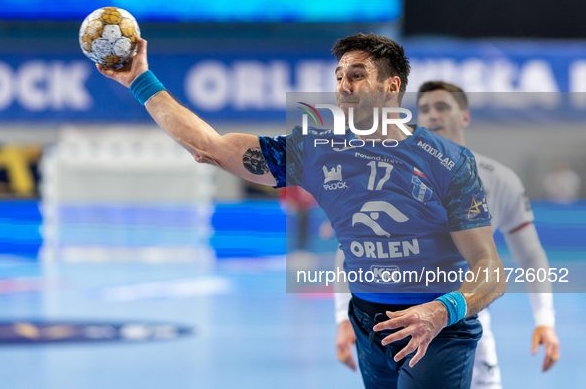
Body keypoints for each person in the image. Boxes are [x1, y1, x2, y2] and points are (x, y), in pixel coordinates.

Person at [97, 33, 505, 389]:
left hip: (437, 323)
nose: (344, 86)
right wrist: (138, 80)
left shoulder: (448, 161)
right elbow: (212, 148)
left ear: (390, 86)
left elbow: (490, 268)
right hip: (368, 320)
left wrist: (441, 311)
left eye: (358, 75)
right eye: (340, 76)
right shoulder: (317, 151)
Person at [334, 81, 560, 388]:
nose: (432, 116)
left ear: (464, 116)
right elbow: (354, 247)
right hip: (394, 317)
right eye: (424, 109)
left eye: (442, 107)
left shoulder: (500, 179)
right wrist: (343, 317)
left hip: (465, 317)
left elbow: (530, 255)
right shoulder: (389, 171)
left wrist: (544, 319)